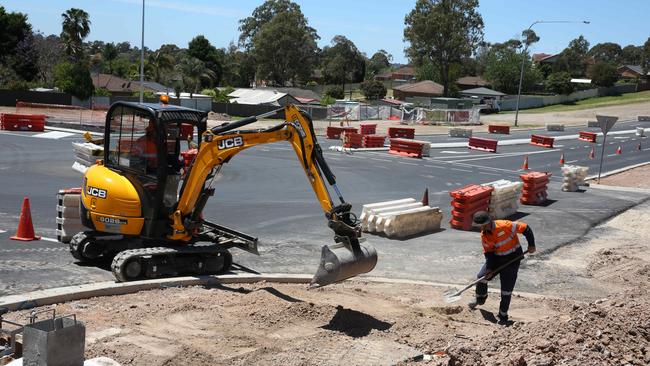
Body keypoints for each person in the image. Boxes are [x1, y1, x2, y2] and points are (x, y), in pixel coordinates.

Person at [468, 211, 536, 325]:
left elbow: (525, 228)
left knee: (506, 290)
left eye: (484, 225)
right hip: (497, 259)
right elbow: (489, 253)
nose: (483, 228)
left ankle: (503, 316)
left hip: (513, 259)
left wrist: (531, 244)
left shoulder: (505, 225)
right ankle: (480, 299)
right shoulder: (484, 235)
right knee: (481, 277)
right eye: (480, 226)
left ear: (489, 221)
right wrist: (489, 269)